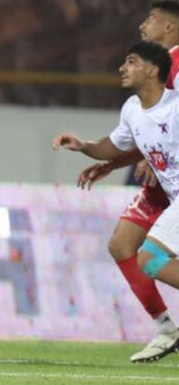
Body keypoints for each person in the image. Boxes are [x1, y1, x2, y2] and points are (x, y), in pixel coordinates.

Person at [55, 42, 179, 363]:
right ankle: (167, 329)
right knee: (142, 256)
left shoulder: (176, 107)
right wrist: (83, 145)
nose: (123, 68)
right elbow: (114, 145)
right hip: (174, 199)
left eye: (132, 61)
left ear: (153, 70)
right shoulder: (132, 109)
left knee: (149, 257)